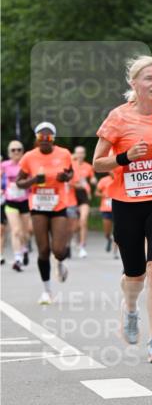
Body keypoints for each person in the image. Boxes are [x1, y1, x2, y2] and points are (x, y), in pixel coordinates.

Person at [92, 55, 152, 363]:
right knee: (135, 273)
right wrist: (125, 157)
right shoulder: (118, 117)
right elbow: (97, 163)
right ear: (134, 84)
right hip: (127, 202)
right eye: (149, 78)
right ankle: (130, 309)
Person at [14, 122, 73, 304]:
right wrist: (33, 180)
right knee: (43, 250)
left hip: (58, 205)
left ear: (53, 139)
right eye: (41, 137)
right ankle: (47, 291)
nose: (44, 141)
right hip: (38, 206)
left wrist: (65, 177)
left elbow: (70, 173)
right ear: (37, 139)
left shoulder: (64, 153)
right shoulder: (29, 157)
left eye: (48, 137)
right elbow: (19, 182)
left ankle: (61, 262)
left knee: (58, 250)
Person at [1, 141, 31, 271]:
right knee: (16, 230)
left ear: (22, 151)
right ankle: (17, 258)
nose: (16, 152)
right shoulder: (4, 165)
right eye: (13, 150)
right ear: (9, 153)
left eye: (19, 149)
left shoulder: (27, 165)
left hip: (24, 201)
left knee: (25, 232)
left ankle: (24, 248)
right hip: (10, 201)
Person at [71, 146, 96, 257]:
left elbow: (92, 178)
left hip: (84, 195)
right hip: (72, 195)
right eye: (78, 153)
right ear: (75, 154)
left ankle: (82, 246)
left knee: (83, 220)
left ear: (84, 154)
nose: (80, 155)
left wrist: (93, 180)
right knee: (74, 225)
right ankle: (74, 238)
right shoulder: (70, 165)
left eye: (82, 153)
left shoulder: (88, 167)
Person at [95, 173, 118, 257]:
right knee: (107, 232)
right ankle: (109, 239)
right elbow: (96, 192)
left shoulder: (120, 177)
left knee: (117, 231)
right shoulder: (103, 180)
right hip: (106, 208)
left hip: (118, 208)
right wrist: (104, 195)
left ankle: (115, 252)